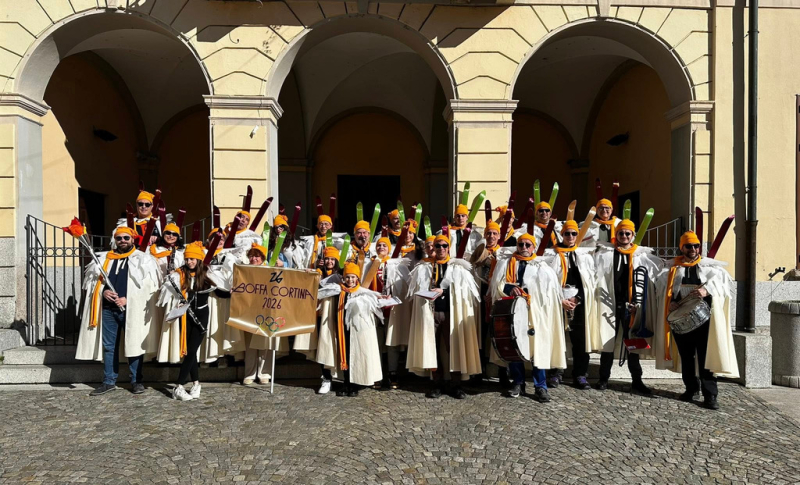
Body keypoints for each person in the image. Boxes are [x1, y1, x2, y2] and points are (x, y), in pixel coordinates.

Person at [658, 231, 739, 410]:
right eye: (689, 246)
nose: (693, 249)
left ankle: (710, 395)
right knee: (687, 357)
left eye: (696, 246)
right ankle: (691, 389)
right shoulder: (672, 267)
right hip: (682, 319)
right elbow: (663, 289)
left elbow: (725, 283)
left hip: (705, 321)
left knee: (705, 357)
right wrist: (670, 303)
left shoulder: (710, 268)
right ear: (682, 247)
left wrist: (707, 290)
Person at [77, 226, 161, 396]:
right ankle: (109, 381)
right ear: (114, 240)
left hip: (132, 309)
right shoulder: (103, 259)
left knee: (134, 343)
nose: (122, 241)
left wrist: (128, 299)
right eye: (119, 238)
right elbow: (93, 284)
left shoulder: (143, 260)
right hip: (108, 309)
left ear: (133, 239)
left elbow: (149, 288)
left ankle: (137, 381)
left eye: (126, 238)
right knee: (109, 346)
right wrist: (103, 291)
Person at [489, 232, 565, 402]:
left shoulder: (542, 267)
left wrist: (531, 294)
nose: (523, 248)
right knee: (515, 345)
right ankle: (518, 382)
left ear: (533, 247)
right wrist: (510, 289)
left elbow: (550, 292)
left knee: (538, 349)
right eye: (520, 245)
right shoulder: (506, 264)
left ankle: (540, 386)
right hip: (514, 312)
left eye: (527, 245)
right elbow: (497, 286)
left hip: (536, 313)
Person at [406, 234, 481, 399]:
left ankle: (456, 384)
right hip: (430, 312)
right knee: (431, 348)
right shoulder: (424, 267)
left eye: (444, 245)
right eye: (437, 246)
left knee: (454, 347)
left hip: (452, 314)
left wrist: (444, 291)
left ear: (449, 247)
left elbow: (463, 291)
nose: (440, 249)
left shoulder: (458, 268)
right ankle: (437, 383)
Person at [594, 219, 662, 394]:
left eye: (627, 233)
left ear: (632, 236)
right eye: (621, 233)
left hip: (632, 307)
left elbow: (657, 275)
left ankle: (637, 381)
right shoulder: (605, 254)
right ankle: (603, 379)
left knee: (634, 346)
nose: (624, 236)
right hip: (610, 304)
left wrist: (640, 304)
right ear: (616, 235)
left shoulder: (641, 256)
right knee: (607, 343)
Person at [545, 220, 600, 390]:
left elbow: (591, 282)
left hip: (579, 303)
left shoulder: (585, 257)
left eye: (574, 233)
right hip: (557, 303)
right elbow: (546, 282)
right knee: (556, 339)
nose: (570, 236)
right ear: (562, 235)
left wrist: (578, 299)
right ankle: (555, 373)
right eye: (567, 233)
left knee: (580, 341)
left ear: (578, 236)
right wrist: (560, 300)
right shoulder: (552, 255)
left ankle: (580, 374)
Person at [316, 262, 384, 396]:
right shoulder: (338, 290)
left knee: (356, 354)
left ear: (357, 278)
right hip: (341, 328)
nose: (350, 280)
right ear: (343, 278)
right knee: (344, 355)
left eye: (353, 277)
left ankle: (354, 385)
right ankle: (346, 383)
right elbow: (320, 292)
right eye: (347, 277)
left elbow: (375, 297)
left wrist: (381, 297)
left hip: (356, 330)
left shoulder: (361, 292)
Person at [159, 242, 215, 401]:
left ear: (199, 260)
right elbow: (169, 294)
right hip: (186, 316)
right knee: (191, 351)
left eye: (193, 259)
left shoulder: (207, 273)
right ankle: (196, 383)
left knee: (191, 350)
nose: (190, 262)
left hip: (202, 315)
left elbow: (222, 291)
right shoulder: (179, 274)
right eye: (187, 258)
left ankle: (179, 386)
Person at [362, 236, 411, 389]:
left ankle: (392, 372)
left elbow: (404, 286)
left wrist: (393, 294)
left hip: (391, 307)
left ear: (389, 248)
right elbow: (364, 284)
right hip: (373, 306)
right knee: (375, 341)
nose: (381, 247)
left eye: (384, 245)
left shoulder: (397, 265)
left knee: (391, 341)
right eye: (379, 245)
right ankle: (376, 373)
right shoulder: (369, 264)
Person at [242, 243, 287, 385]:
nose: (253, 258)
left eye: (256, 256)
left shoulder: (270, 270)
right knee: (250, 343)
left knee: (265, 342)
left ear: (262, 257)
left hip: (266, 310)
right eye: (251, 256)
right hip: (249, 310)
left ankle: (264, 372)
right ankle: (249, 373)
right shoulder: (244, 270)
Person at [469, 220, 506, 381]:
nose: (491, 236)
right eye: (489, 233)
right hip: (481, 296)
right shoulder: (478, 252)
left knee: (498, 333)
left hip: (496, 297)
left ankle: (503, 372)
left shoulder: (504, 254)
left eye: (494, 233)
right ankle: (478, 370)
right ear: (485, 235)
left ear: (499, 236)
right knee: (480, 333)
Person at [311, 246, 342, 394]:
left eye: (332, 259)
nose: (330, 261)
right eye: (327, 258)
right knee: (324, 344)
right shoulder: (318, 273)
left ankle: (339, 376)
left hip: (338, 314)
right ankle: (326, 378)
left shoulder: (341, 275)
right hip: (321, 314)